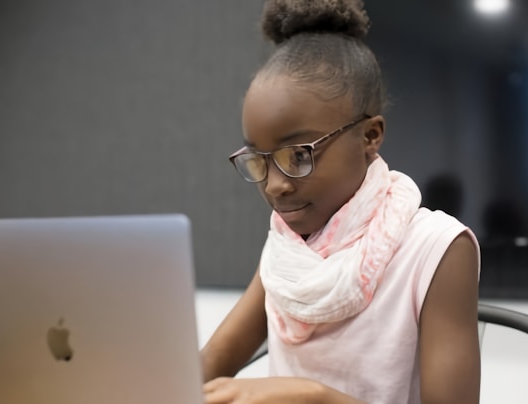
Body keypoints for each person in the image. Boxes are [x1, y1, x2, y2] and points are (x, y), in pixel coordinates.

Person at [201, 1, 481, 403]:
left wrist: (315, 397)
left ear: (369, 137)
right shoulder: (287, 248)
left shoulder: (437, 249)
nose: (275, 186)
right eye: (259, 160)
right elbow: (212, 360)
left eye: (298, 155)